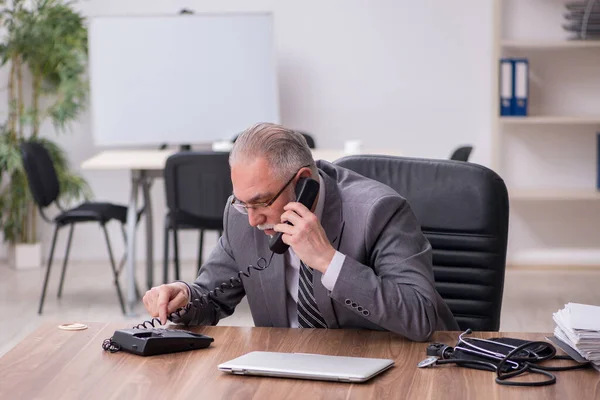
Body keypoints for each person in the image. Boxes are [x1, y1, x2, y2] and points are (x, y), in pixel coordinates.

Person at [143, 123, 459, 341]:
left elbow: (420, 317)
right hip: (288, 371)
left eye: (261, 202)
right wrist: (181, 296)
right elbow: (210, 297)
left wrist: (328, 261)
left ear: (303, 182)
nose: (253, 219)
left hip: (387, 371)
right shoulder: (241, 214)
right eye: (243, 203)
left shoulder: (379, 211)